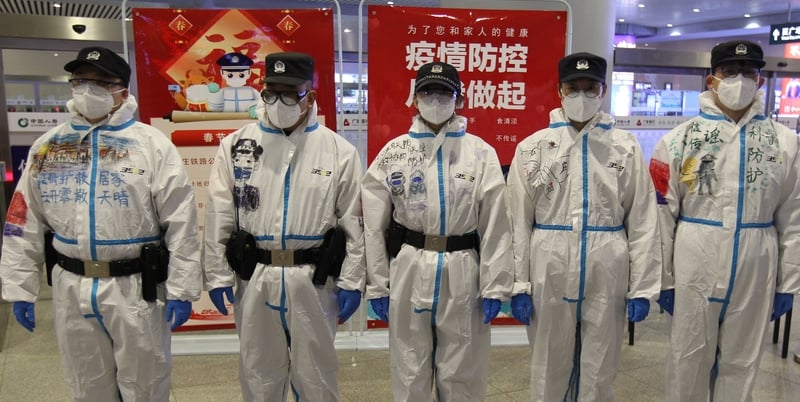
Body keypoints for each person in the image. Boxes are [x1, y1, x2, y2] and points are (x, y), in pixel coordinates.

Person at [0, 46, 201, 401]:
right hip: (71, 285)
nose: (88, 90)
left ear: (122, 91)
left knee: (146, 385)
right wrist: (19, 286)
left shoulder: (151, 146)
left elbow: (181, 222)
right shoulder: (49, 147)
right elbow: (23, 219)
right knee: (87, 384)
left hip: (137, 287)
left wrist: (183, 290)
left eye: (101, 83)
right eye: (80, 81)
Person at [203, 51, 365, 402]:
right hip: (256, 275)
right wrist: (216, 275)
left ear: (311, 96)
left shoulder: (338, 151)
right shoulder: (236, 146)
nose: (280, 102)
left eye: (290, 93)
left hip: (314, 281)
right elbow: (219, 215)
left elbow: (353, 221)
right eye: (271, 92)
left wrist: (353, 280)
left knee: (316, 376)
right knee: (259, 373)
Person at [506, 52, 661, 401]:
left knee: (601, 364)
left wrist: (643, 287)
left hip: (607, 263)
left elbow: (642, 220)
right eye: (573, 88)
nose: (582, 96)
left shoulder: (624, 148)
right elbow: (516, 220)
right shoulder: (533, 148)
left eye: (590, 87)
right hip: (549, 260)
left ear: (603, 90)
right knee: (548, 362)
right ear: (559, 91)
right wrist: (518, 282)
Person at [651, 40, 800, 401]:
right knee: (688, 361)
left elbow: (793, 215)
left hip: (756, 261)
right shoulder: (679, 140)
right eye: (729, 72)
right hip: (694, 259)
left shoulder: (783, 143)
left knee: (742, 363)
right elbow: (660, 216)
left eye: (749, 72)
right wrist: (663, 279)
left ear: (761, 80)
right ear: (711, 79)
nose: (740, 79)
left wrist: (788, 282)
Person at [362, 61, 514, 401]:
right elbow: (374, 225)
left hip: (462, 268)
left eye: (444, 93)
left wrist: (495, 284)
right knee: (409, 366)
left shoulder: (480, 153)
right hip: (410, 265)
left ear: (459, 99)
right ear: (414, 98)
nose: (436, 99)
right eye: (427, 92)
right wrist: (378, 285)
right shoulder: (394, 153)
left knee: (462, 369)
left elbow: (496, 225)